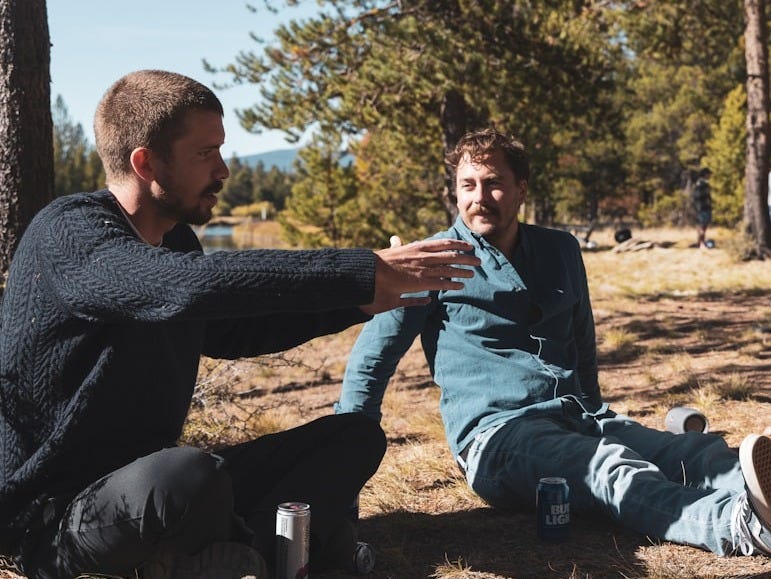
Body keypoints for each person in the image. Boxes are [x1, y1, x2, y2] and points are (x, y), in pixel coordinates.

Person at [0, 70, 481, 579]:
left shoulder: (177, 241)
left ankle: (245, 557)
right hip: (54, 519)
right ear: (145, 162)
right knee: (189, 476)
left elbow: (236, 328)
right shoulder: (69, 233)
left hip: (151, 490)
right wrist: (358, 272)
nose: (224, 169)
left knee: (353, 437)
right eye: (206, 153)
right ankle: (278, 551)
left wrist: (358, 303)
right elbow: (177, 287)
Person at [337, 128, 771, 558]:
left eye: (494, 184)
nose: (479, 198)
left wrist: (597, 411)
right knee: (609, 468)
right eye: (467, 185)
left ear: (521, 189)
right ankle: (740, 527)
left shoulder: (559, 249)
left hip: (580, 416)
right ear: (455, 191)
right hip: (498, 439)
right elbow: (371, 362)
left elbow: (582, 338)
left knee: (691, 451)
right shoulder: (430, 263)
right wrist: (343, 468)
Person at [692, 167, 713, 249]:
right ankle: (701, 243)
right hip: (703, 208)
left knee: (702, 226)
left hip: (702, 208)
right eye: (709, 174)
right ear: (705, 174)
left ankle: (699, 243)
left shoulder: (701, 184)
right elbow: (700, 197)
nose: (710, 176)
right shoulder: (702, 184)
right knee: (702, 226)